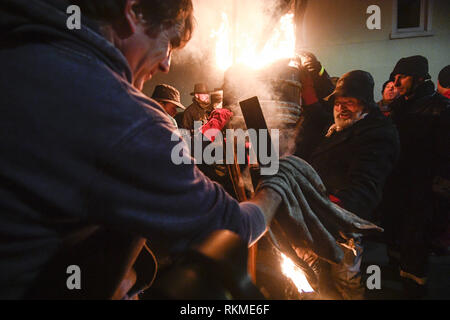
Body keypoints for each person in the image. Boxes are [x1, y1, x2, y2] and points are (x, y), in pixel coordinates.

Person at [0, 0, 286, 299]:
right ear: (133, 12)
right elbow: (229, 229)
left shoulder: (18, 54)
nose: (166, 63)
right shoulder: (118, 112)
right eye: (169, 42)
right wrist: (276, 187)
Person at [294, 68, 400, 299]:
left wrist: (335, 207)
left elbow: (366, 183)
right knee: (316, 270)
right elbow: (317, 114)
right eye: (338, 103)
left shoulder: (376, 134)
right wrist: (309, 85)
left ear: (364, 104)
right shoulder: (340, 125)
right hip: (319, 214)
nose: (341, 108)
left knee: (345, 276)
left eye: (349, 102)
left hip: (343, 220)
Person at [380, 55, 450, 299]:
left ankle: (415, 287)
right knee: (396, 234)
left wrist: (438, 191)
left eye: (403, 76)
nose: (396, 81)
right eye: (395, 76)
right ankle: (395, 272)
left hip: (421, 188)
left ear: (420, 78)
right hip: (397, 184)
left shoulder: (440, 108)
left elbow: (445, 156)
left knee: (415, 240)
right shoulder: (400, 106)